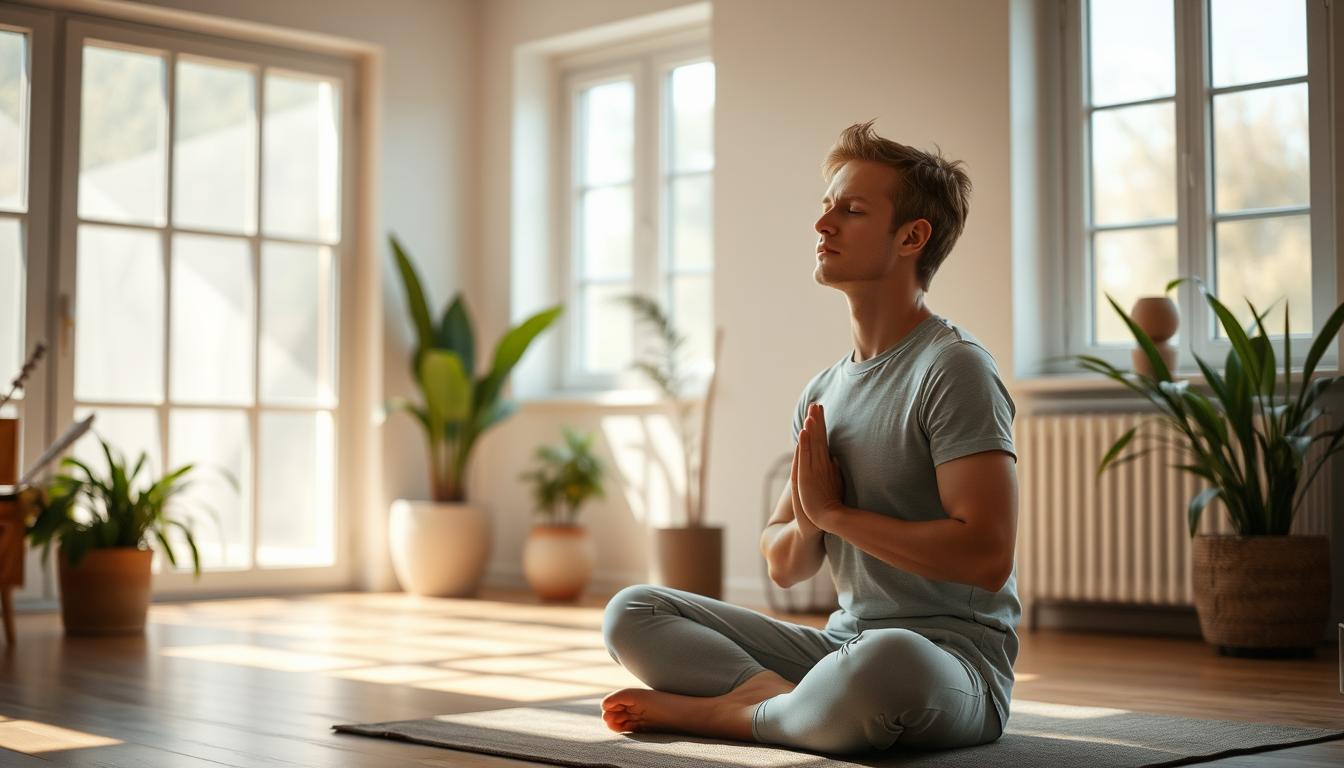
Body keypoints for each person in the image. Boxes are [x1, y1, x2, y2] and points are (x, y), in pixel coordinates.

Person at [599, 119, 1020, 755]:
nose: (822, 226)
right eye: (826, 209)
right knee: (633, 611)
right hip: (840, 647)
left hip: (949, 666)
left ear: (912, 236)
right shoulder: (822, 391)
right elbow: (787, 563)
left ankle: (734, 716)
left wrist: (836, 514)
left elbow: (986, 557)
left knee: (889, 660)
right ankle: (776, 700)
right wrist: (810, 521)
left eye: (849, 211)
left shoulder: (953, 368)